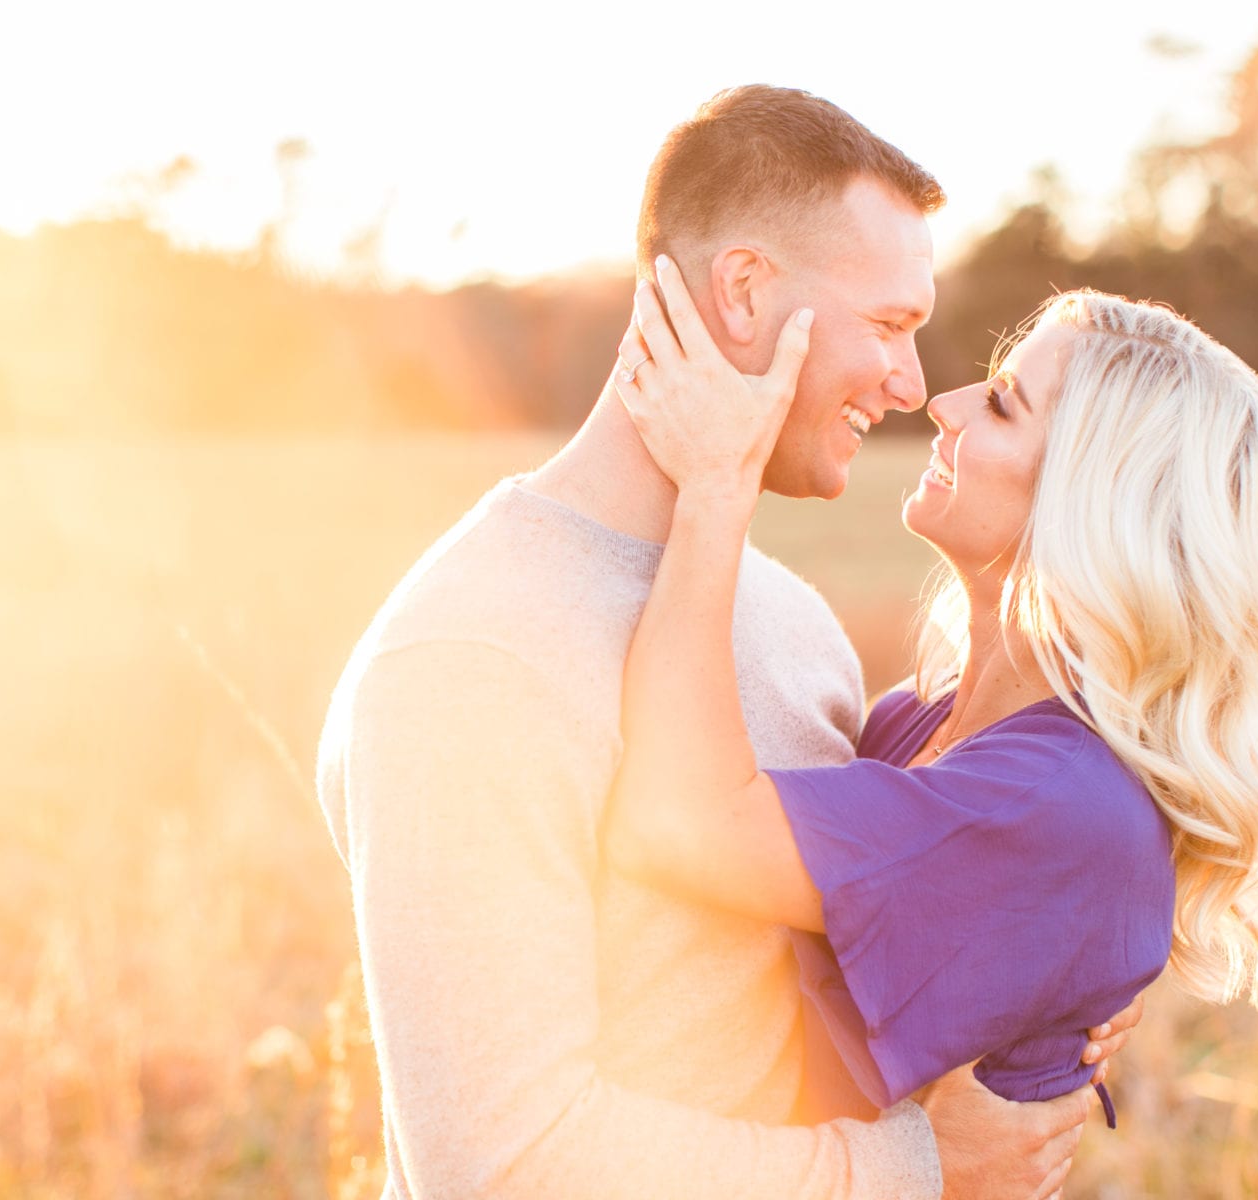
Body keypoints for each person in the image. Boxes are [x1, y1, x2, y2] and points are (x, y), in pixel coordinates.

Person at [315, 85, 1140, 1200]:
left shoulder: (790, 623)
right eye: (890, 326)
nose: (910, 383)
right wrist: (914, 1170)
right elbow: (502, 1166)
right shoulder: (472, 661)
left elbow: (881, 923)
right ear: (746, 292)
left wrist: (1065, 961)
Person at [607, 273, 1258, 1128]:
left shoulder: (1057, 805)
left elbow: (678, 828)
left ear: (1089, 495)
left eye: (999, 404)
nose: (943, 404)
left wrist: (715, 487)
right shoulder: (918, 718)